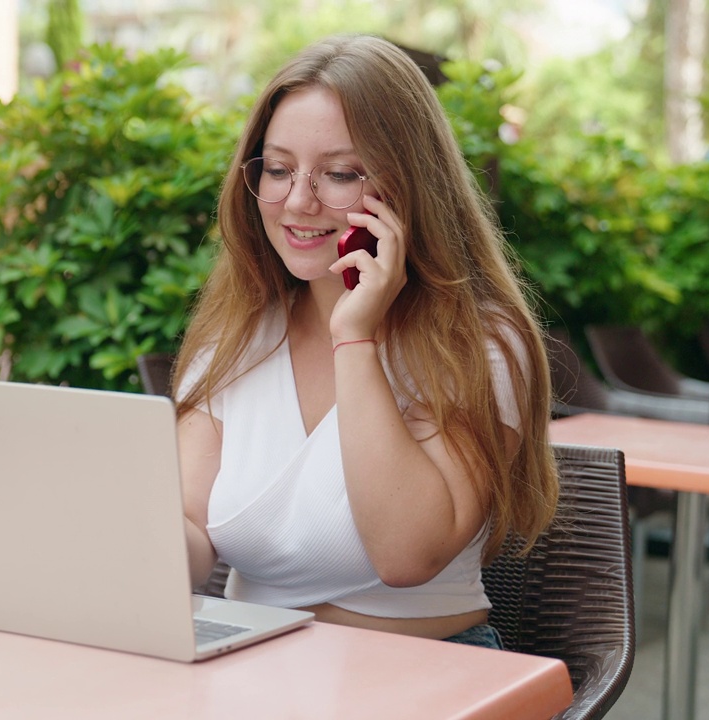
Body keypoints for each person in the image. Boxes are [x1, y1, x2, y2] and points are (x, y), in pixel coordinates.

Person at [172, 34, 559, 650]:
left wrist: (355, 336)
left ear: (409, 183)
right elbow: (190, 535)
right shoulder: (235, 335)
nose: (299, 200)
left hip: (422, 671)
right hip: (254, 670)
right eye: (277, 168)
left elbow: (407, 555)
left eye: (341, 173)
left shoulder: (480, 343)